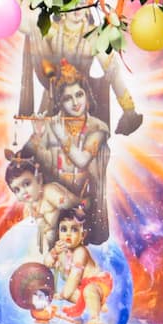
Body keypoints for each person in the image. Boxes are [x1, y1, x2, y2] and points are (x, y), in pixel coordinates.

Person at [18, 0, 143, 136]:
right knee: (47, 147)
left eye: (82, 2)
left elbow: (113, 72)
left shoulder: (94, 35)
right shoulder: (53, 31)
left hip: (80, 103)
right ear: (63, 8)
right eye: (73, 3)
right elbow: (27, 27)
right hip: (52, 100)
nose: (78, 9)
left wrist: (129, 110)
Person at [23, 58, 111, 245]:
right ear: (60, 103)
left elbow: (82, 160)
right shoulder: (54, 122)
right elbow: (27, 159)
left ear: (87, 96)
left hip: (81, 207)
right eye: (68, 98)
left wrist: (62, 136)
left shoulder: (98, 127)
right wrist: (38, 134)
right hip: (52, 206)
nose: (75, 103)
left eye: (79, 95)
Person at [44, 207, 113, 324]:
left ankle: (95, 317)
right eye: (64, 229)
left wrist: (63, 295)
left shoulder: (80, 252)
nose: (68, 234)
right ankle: (98, 304)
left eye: (74, 229)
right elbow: (47, 264)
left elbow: (76, 276)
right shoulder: (62, 250)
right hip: (81, 287)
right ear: (58, 232)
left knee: (88, 290)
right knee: (72, 294)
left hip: (98, 284)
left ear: (83, 235)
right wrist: (54, 252)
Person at [4, 149, 81, 253]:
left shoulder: (49, 192)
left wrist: (66, 203)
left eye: (27, 184)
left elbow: (72, 204)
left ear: (39, 180)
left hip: (71, 235)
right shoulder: (29, 207)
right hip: (55, 245)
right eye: (17, 190)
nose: (23, 192)